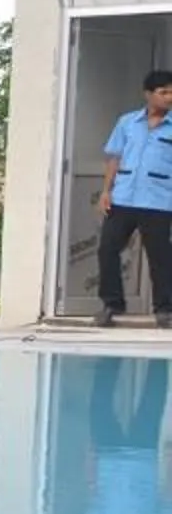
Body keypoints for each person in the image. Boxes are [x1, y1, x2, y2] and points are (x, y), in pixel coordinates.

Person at [95, 70, 172, 324]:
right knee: (107, 249)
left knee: (160, 257)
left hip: (159, 201)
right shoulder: (127, 122)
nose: (169, 98)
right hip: (124, 198)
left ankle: (164, 310)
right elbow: (114, 156)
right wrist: (107, 191)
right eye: (163, 92)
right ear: (148, 94)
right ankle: (112, 304)